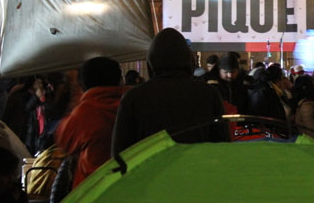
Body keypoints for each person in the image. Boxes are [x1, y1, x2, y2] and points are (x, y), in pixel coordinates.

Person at [111, 28, 230, 156]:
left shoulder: (133, 97)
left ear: (151, 60)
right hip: (198, 170)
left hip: (152, 173)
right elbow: (222, 146)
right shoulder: (209, 93)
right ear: (189, 59)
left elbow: (120, 154)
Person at [55, 57, 129, 189]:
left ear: (83, 85)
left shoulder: (85, 112)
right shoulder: (133, 103)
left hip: (93, 190)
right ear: (119, 79)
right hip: (131, 184)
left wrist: (75, 98)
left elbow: (64, 140)